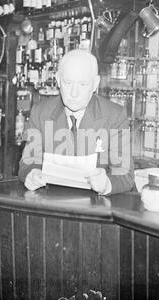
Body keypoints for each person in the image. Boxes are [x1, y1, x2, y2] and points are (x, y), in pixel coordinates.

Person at [18, 49, 134, 195]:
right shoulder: (40, 112)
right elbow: (28, 162)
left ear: (95, 84)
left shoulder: (115, 115)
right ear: (58, 80)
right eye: (68, 83)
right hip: (51, 205)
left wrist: (107, 184)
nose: (74, 93)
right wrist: (30, 174)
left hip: (96, 209)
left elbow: (125, 175)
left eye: (83, 84)